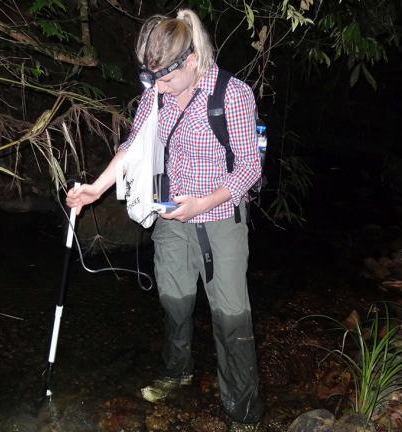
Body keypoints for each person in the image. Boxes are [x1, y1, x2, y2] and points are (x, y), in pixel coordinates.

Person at [65, 8, 263, 430]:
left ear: (191, 61)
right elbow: (133, 145)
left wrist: (204, 203)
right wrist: (96, 189)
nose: (159, 88)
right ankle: (178, 371)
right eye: (151, 78)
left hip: (220, 218)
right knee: (174, 301)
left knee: (231, 317)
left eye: (166, 79)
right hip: (172, 216)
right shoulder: (157, 92)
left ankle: (242, 412)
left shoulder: (233, 96)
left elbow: (249, 168)